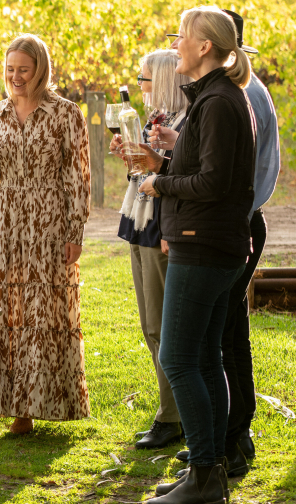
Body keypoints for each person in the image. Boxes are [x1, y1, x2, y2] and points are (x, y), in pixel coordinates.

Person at [0, 33, 92, 435]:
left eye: (23, 70)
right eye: (10, 70)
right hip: (5, 216)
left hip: (48, 219)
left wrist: (74, 230)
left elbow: (78, 177)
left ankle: (26, 408)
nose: (16, 77)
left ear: (40, 69)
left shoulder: (66, 113)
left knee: (36, 307)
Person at [138, 6, 256, 504]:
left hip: (204, 245)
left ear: (205, 46)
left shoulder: (219, 102)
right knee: (205, 358)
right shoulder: (216, 99)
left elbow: (212, 182)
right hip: (209, 243)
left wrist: (158, 182)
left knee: (179, 358)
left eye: (182, 36)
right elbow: (208, 167)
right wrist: (166, 160)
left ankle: (206, 475)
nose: (176, 43)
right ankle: (206, 474)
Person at [112, 49, 190, 450]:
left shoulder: (185, 123)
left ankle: (173, 417)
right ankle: (171, 412)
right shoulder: (157, 119)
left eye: (144, 79)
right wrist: (131, 156)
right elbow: (144, 171)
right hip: (140, 224)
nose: (139, 85)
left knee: (162, 327)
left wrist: (150, 159)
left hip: (161, 227)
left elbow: (174, 174)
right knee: (150, 325)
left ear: (160, 81)